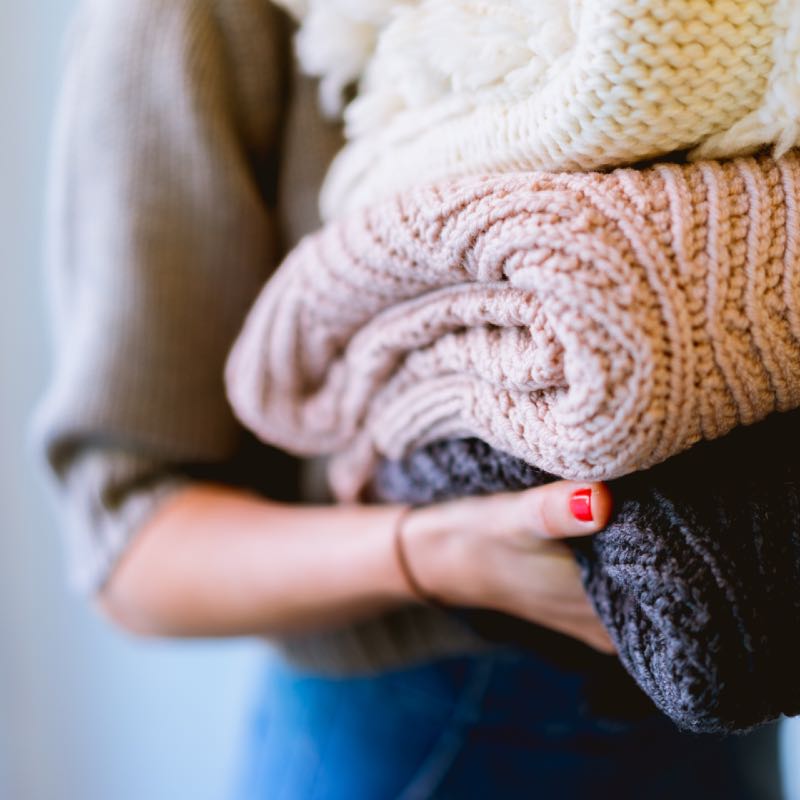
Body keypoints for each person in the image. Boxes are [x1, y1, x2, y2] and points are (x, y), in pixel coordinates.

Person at [34, 1, 782, 797]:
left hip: (732, 671)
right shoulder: (188, 19)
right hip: (433, 726)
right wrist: (430, 555)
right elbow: (130, 546)